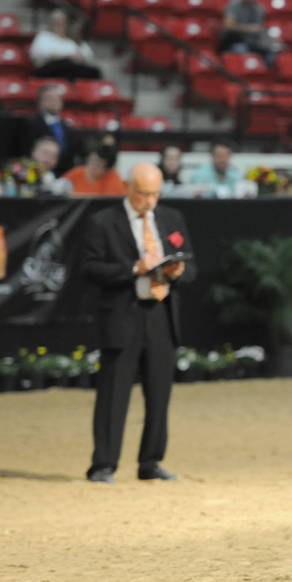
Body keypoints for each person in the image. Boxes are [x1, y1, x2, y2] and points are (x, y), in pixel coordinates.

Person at [82, 162, 196, 484]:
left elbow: (191, 263)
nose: (149, 201)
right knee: (113, 394)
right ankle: (103, 464)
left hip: (161, 315)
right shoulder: (102, 222)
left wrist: (180, 272)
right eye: (143, 193)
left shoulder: (172, 219)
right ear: (126, 187)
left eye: (155, 194)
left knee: (159, 395)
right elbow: (89, 269)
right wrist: (134, 268)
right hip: (123, 313)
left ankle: (151, 462)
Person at [19, 84, 83, 174]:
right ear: (40, 102)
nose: (54, 102)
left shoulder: (67, 127)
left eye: (57, 98)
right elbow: (26, 151)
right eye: (49, 98)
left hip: (64, 175)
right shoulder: (31, 124)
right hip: (38, 173)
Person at [218, 0, 280, 67]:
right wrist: (248, 29)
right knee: (242, 50)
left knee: (271, 53)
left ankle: (260, 75)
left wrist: (271, 40)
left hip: (254, 43)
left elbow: (259, 29)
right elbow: (228, 26)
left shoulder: (259, 8)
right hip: (235, 41)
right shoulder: (234, 5)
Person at [29, 9, 102, 81]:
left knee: (94, 72)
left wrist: (80, 56)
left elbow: (88, 54)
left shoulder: (71, 41)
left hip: (70, 69)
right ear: (51, 24)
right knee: (64, 64)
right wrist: (67, 56)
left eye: (63, 22)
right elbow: (39, 53)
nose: (60, 25)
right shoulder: (44, 36)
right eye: (57, 22)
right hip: (48, 69)